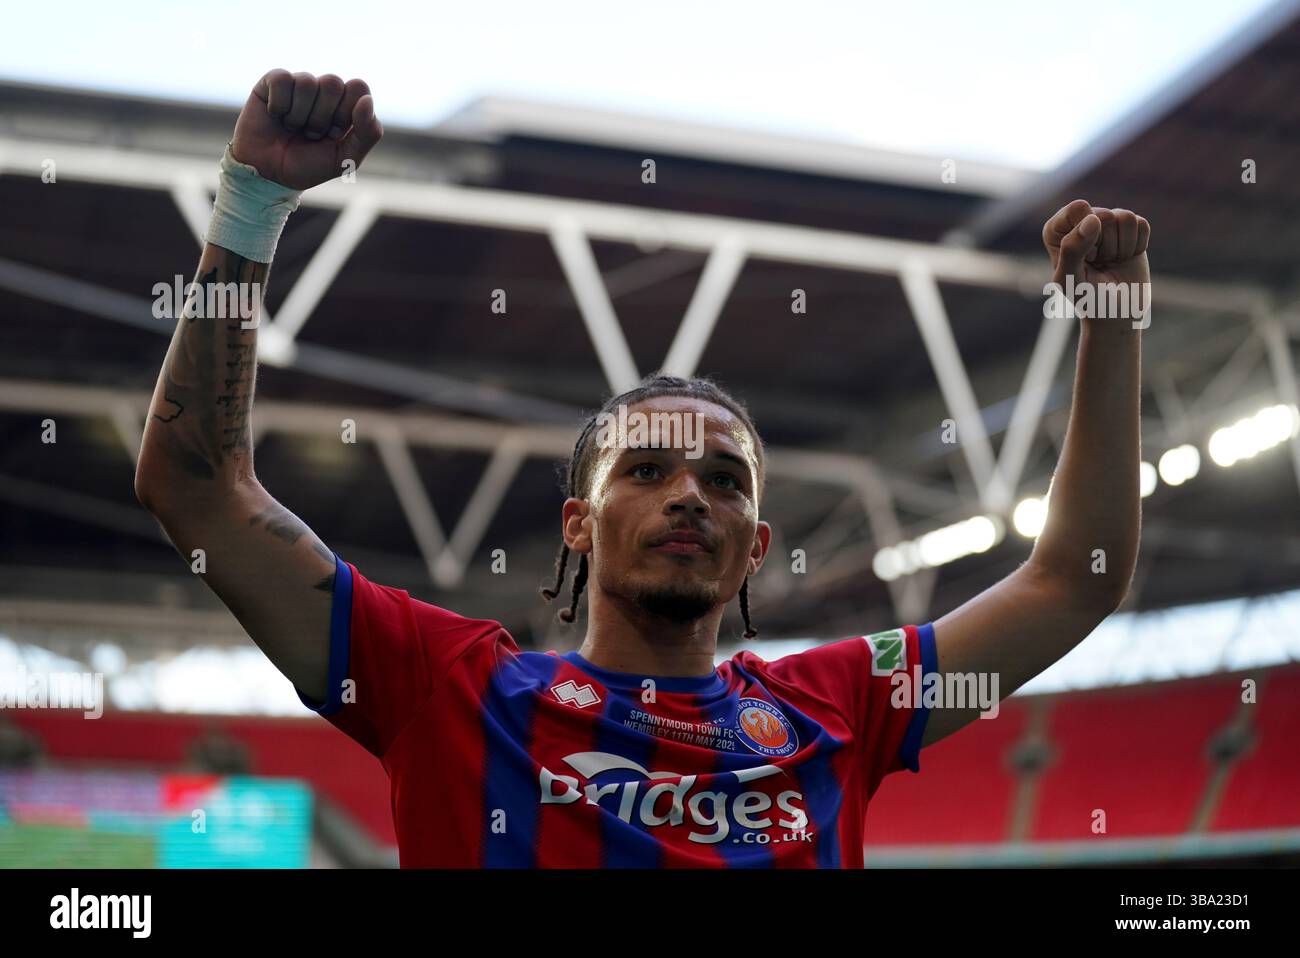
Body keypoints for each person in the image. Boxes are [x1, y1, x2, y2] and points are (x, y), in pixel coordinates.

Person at [135, 69, 1149, 867]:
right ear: (576, 522)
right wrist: (253, 205)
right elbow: (200, 491)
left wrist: (1108, 321)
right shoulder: (447, 688)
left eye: (723, 479)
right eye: (647, 469)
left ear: (753, 546)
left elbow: (1075, 577)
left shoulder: (840, 703)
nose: (687, 495)